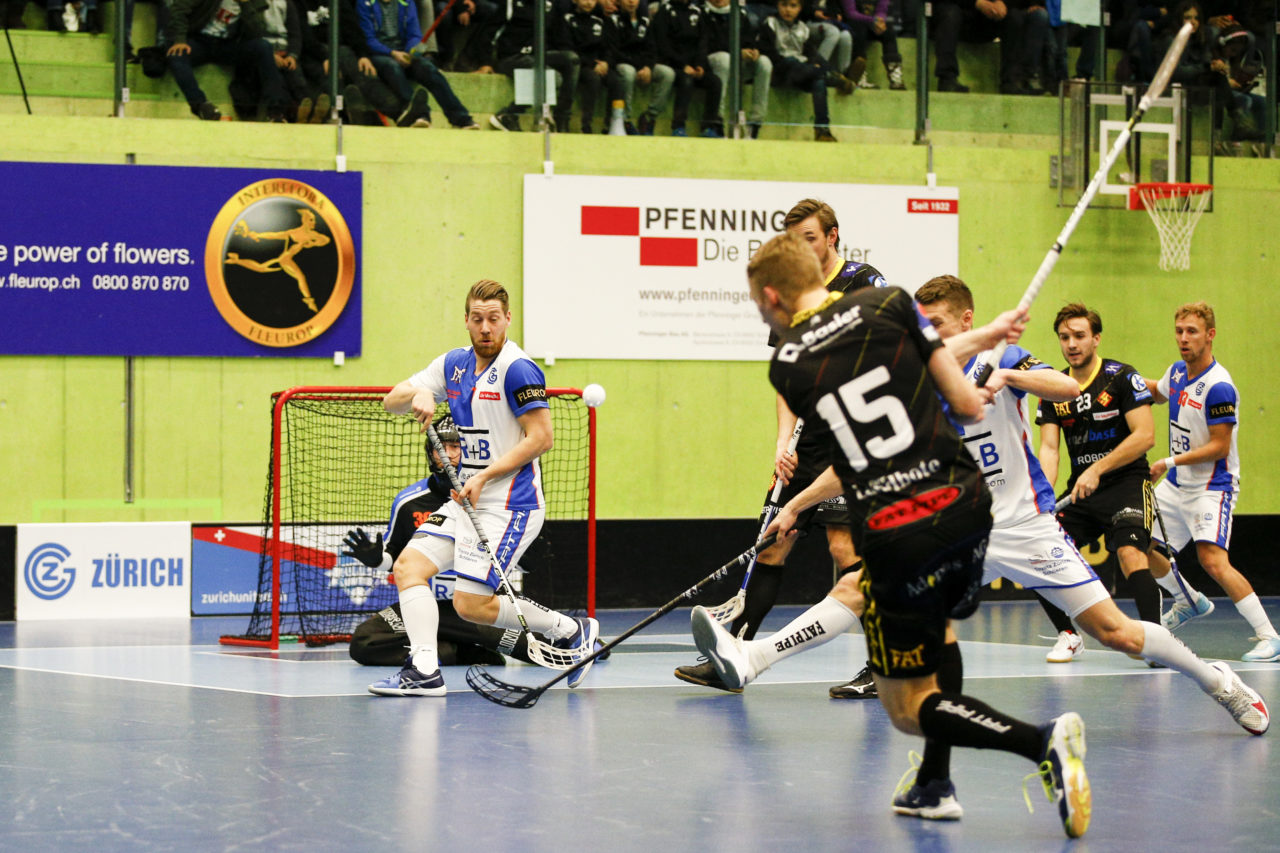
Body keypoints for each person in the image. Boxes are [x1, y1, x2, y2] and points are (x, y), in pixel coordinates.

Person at [693, 231, 1096, 839]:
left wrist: (798, 503)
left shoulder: (789, 364)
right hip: (967, 505)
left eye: (757, 304)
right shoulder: (891, 305)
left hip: (899, 524)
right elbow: (961, 403)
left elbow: (856, 434)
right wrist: (987, 339)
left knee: (908, 710)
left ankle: (1042, 742)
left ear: (773, 296)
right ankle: (934, 785)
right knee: (945, 633)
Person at [883, 278, 1268, 817]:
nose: (929, 335)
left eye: (937, 325)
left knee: (1115, 632)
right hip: (964, 530)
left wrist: (1011, 375)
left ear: (965, 320)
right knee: (931, 632)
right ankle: (936, 781)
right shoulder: (922, 377)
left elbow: (1067, 392)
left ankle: (1217, 681)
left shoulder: (1004, 355)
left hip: (1028, 526)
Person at [672, 198, 888, 699]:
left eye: (810, 238)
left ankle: (879, 666)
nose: (802, 249)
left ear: (832, 237)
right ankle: (733, 656)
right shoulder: (790, 290)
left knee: (844, 549)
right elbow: (786, 377)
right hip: (806, 440)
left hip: (849, 435)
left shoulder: (863, 282)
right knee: (771, 543)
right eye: (794, 241)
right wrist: (780, 443)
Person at [368, 279, 598, 697]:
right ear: (467, 321)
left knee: (469, 605)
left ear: (507, 319)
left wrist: (484, 476)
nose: (486, 328)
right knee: (408, 568)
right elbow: (391, 400)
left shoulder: (518, 369)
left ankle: (569, 629)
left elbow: (541, 438)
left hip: (511, 505)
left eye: (494, 319)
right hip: (464, 501)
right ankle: (423, 670)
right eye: (478, 319)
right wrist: (418, 393)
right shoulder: (453, 365)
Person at [1142, 302, 1280, 662]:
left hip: (1211, 486)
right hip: (1177, 484)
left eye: (1192, 332)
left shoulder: (1219, 387)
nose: (1183, 339)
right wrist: (1122, 381)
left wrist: (1168, 461)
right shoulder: (1175, 373)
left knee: (1213, 561)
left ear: (1210, 335)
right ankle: (1188, 601)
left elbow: (1219, 446)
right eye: (1179, 331)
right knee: (1141, 544)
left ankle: (1270, 636)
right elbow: (1157, 392)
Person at [345, 415, 535, 667]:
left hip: (478, 606)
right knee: (365, 641)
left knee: (542, 649)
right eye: (440, 447)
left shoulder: (494, 497)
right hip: (424, 607)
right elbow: (395, 559)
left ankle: (575, 637)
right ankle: (457, 652)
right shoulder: (409, 502)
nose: (446, 455)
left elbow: (520, 560)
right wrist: (377, 559)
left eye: (455, 447)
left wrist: (530, 555)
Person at [1034, 303, 1163, 661]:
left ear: (1095, 338)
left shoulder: (1122, 377)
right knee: (1037, 552)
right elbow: (1049, 450)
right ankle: (1069, 634)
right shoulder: (1053, 388)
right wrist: (1042, 498)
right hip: (1082, 492)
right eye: (1064, 337)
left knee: (1129, 553)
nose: (1071, 344)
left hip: (1127, 483)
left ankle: (1157, 643)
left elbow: (1146, 435)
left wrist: (1098, 468)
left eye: (1079, 336)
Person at [356, 0, 480, 128]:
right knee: (392, 67)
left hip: (404, 53)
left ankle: (461, 118)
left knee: (428, 69)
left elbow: (414, 35)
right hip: (380, 55)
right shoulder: (364, 3)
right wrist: (392, 53)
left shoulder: (407, 2)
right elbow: (368, 39)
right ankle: (419, 114)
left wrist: (411, 51)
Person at [166, 0, 291, 121]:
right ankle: (201, 105)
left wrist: (245, 4)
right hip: (200, 41)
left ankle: (275, 111)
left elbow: (258, 30)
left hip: (228, 45)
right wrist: (179, 40)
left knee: (264, 47)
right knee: (177, 54)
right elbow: (178, 9)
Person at [760, 0, 846, 142]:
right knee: (792, 61)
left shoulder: (803, 28)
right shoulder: (770, 23)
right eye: (784, 5)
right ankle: (832, 78)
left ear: (800, 8)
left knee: (818, 82)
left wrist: (819, 66)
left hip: (801, 73)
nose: (788, 10)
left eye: (793, 6)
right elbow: (767, 52)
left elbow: (812, 54)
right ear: (778, 5)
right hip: (780, 71)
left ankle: (822, 129)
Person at [488, 0, 579, 132]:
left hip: (537, 54)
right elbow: (490, 32)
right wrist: (485, 62)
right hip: (511, 56)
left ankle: (562, 118)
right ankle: (508, 114)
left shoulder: (549, 5)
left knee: (572, 59)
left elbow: (561, 36)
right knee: (554, 77)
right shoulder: (510, 4)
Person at [930, 0, 1043, 94]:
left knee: (1014, 17)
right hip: (961, 17)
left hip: (988, 20)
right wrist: (978, 3)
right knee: (949, 12)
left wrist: (1003, 3)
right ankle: (947, 78)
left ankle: (1010, 81)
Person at [649, 0, 723, 137]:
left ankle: (709, 126)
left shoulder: (697, 12)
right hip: (673, 65)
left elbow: (703, 41)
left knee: (715, 82)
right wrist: (682, 65)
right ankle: (678, 126)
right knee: (686, 81)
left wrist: (700, 64)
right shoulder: (665, 12)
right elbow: (662, 44)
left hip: (694, 66)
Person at [704, 0, 772, 138]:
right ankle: (717, 121)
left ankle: (754, 124)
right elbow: (706, 44)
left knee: (764, 63)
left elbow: (750, 40)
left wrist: (754, 51)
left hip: (737, 63)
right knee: (725, 59)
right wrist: (735, 51)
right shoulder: (701, 13)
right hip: (711, 62)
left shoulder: (740, 14)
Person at [610, 0, 673, 135]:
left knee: (667, 74)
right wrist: (640, 66)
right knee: (628, 72)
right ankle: (625, 120)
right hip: (622, 63)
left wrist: (648, 67)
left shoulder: (645, 21)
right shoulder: (613, 21)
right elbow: (614, 51)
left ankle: (650, 117)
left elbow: (652, 48)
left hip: (642, 65)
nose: (631, 2)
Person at [563, 0, 623, 133]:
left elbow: (608, 48)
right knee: (593, 79)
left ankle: (612, 124)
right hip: (580, 64)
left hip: (599, 64)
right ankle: (586, 124)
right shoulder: (567, 19)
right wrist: (590, 64)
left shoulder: (601, 21)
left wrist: (607, 62)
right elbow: (567, 48)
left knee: (616, 80)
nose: (589, 3)